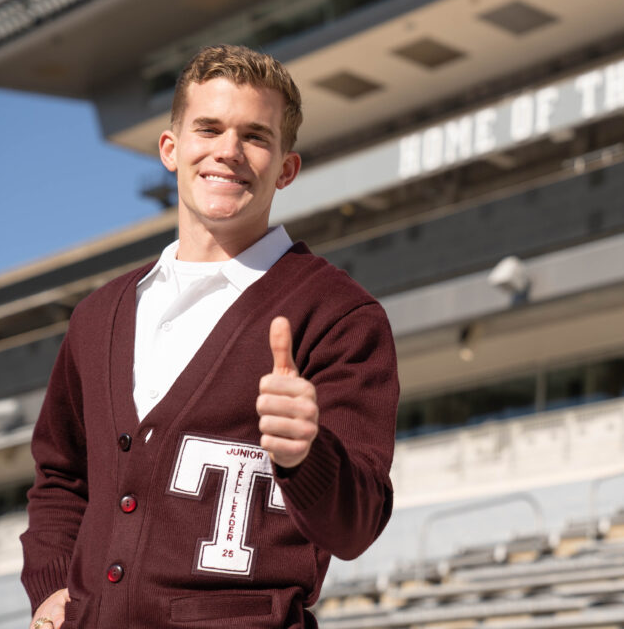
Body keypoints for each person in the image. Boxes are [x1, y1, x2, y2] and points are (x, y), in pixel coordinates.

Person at [20, 44, 399, 629]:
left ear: (286, 168)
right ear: (171, 149)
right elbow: (62, 476)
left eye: (255, 135)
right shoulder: (98, 316)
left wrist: (307, 452)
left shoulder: (340, 315)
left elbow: (357, 526)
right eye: (209, 128)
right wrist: (49, 588)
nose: (228, 150)